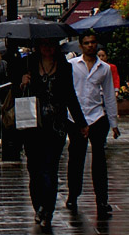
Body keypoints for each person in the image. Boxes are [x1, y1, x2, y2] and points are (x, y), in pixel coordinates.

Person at [19, 38, 88, 230]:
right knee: (34, 169)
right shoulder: (29, 64)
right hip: (32, 125)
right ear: (38, 47)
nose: (47, 48)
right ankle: (38, 206)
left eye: (51, 45)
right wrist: (22, 82)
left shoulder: (65, 67)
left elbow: (70, 96)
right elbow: (15, 90)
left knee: (50, 169)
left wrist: (81, 123)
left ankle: (47, 209)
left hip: (56, 126)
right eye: (44, 45)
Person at [65, 32, 120, 216]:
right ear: (81, 46)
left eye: (93, 42)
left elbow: (110, 95)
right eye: (87, 43)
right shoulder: (72, 66)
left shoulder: (103, 68)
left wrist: (113, 122)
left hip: (97, 116)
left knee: (99, 161)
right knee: (76, 159)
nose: (90, 46)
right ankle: (73, 195)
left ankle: (102, 200)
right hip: (76, 118)